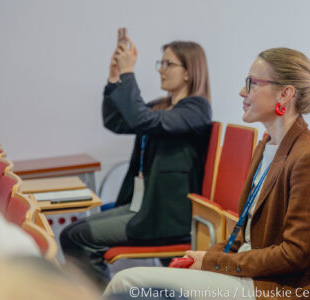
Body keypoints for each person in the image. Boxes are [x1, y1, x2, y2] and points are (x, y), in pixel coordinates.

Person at [104, 47, 310, 300]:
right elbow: (242, 233)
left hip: (270, 286)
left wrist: (213, 262)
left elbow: (294, 255)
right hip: (245, 272)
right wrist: (207, 257)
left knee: (127, 282)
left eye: (252, 83)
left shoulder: (309, 156)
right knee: (131, 284)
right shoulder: (267, 145)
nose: (242, 91)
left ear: (285, 94)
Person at [60, 33, 212, 288]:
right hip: (142, 206)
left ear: (189, 72)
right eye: (160, 64)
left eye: (168, 64)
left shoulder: (196, 109)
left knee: (75, 237)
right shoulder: (163, 107)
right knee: (73, 232)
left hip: (165, 216)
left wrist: (129, 73)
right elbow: (117, 122)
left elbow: (141, 119)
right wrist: (115, 78)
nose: (161, 70)